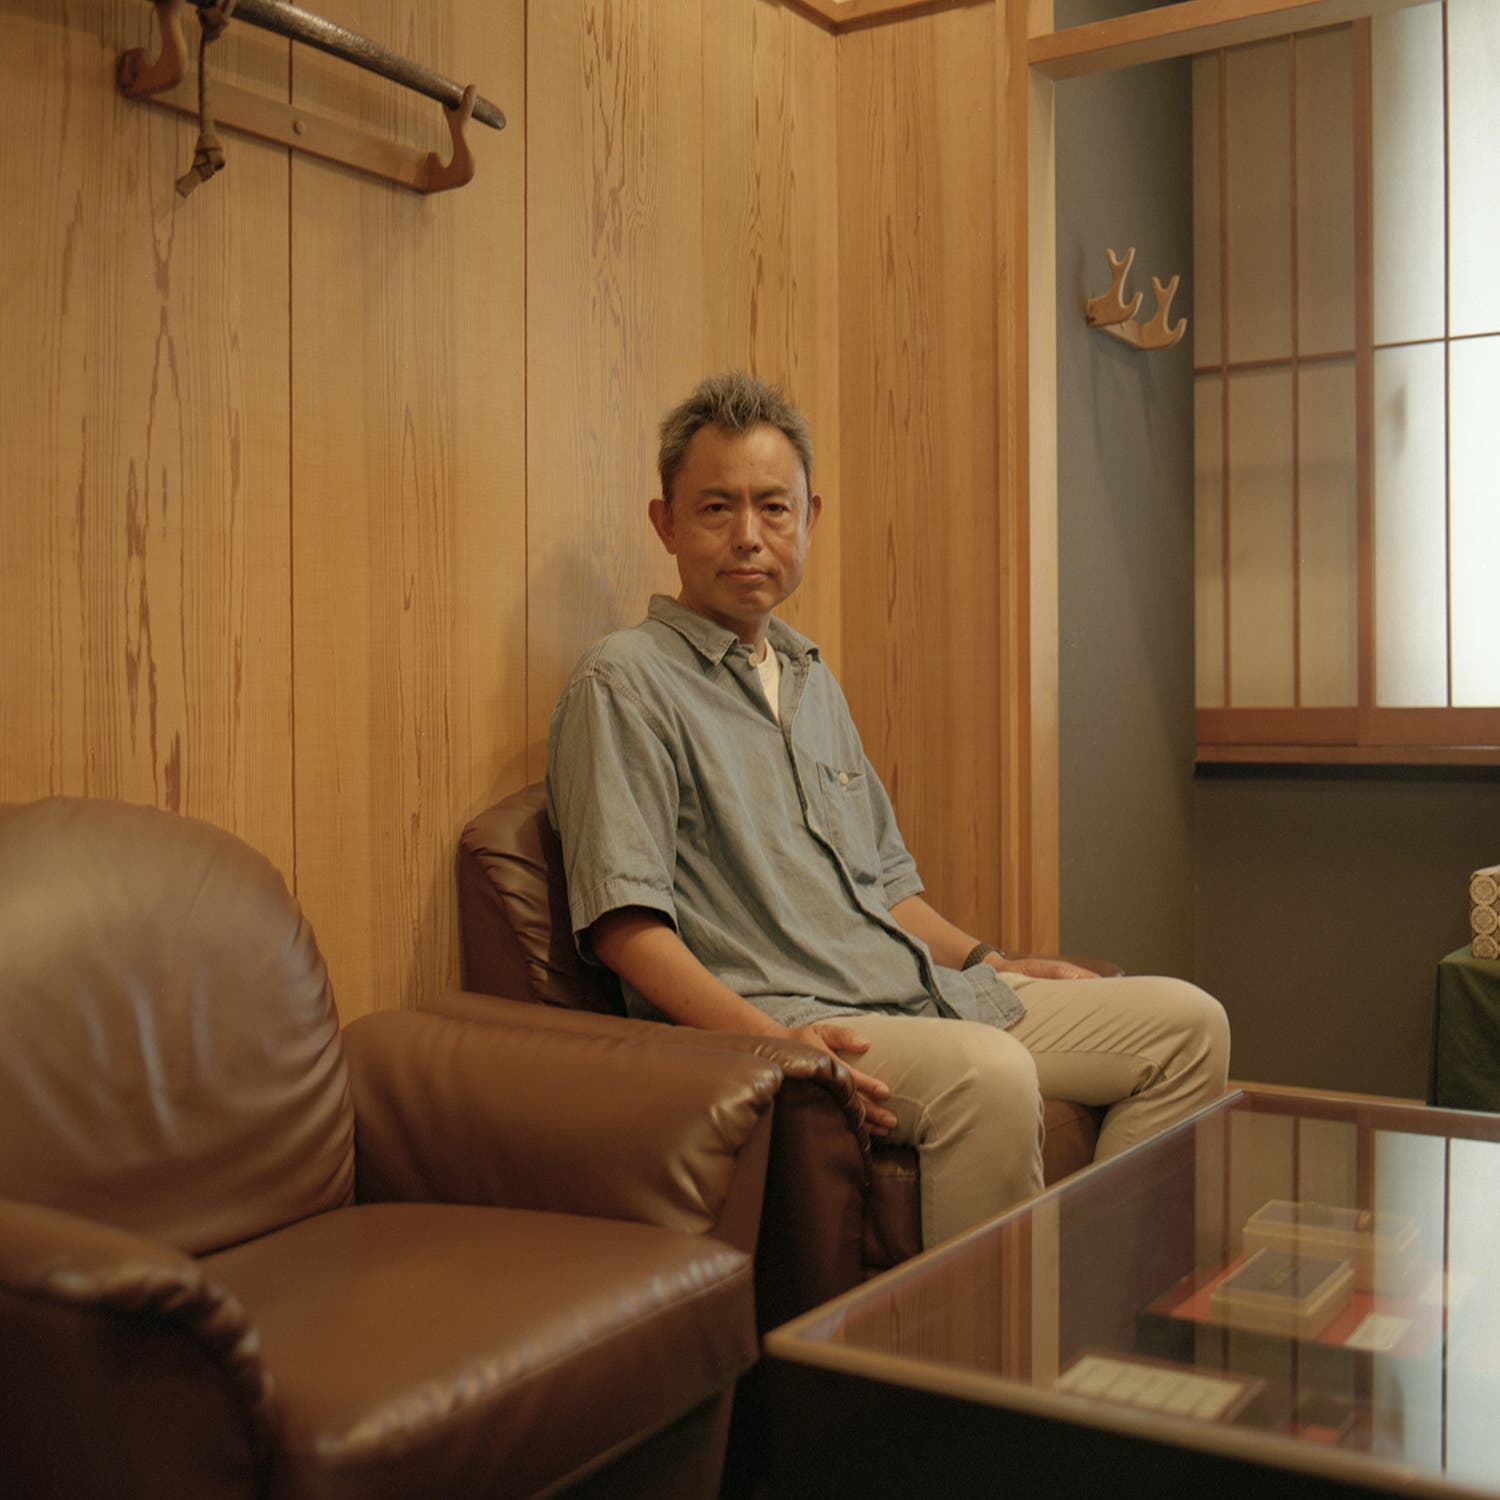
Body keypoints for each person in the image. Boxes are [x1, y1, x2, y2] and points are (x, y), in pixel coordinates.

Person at [547, 370, 1229, 1249]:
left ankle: (1090, 1293)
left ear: (809, 520)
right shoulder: (623, 682)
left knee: (1187, 1025)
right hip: (802, 1014)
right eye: (717, 508)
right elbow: (625, 930)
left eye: (773, 508)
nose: (748, 535)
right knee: (990, 1075)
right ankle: (994, 1336)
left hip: (911, 989)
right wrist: (775, 1044)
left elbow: (889, 890)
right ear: (666, 524)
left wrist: (996, 960)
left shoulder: (808, 676)